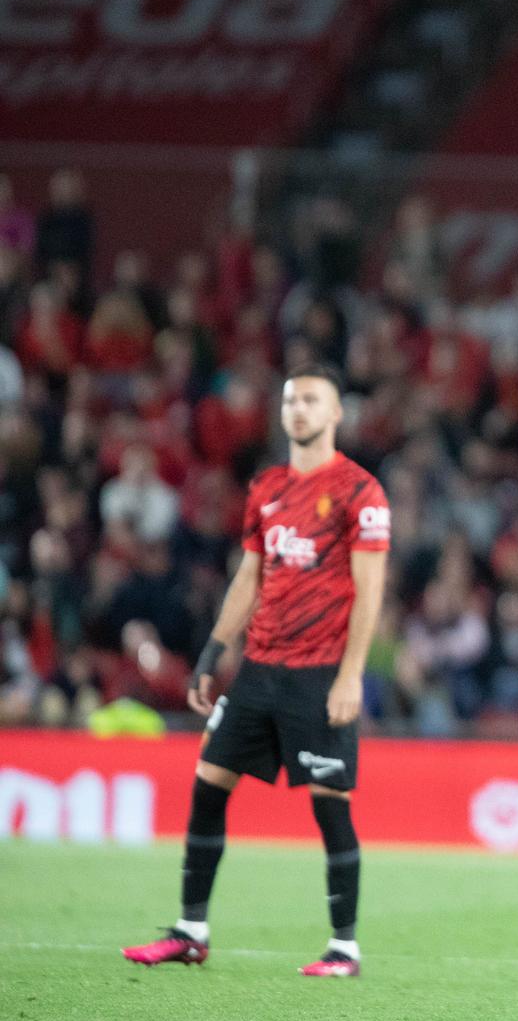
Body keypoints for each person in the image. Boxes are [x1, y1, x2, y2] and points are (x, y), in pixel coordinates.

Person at [123, 364, 390, 978]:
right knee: (208, 782)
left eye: (312, 400)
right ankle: (191, 930)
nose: (298, 409)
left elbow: (369, 591)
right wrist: (214, 650)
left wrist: (352, 675)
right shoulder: (267, 487)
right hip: (259, 671)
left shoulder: (359, 492)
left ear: (336, 413)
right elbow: (250, 576)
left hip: (319, 673)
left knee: (330, 802)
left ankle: (343, 947)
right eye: (291, 399)